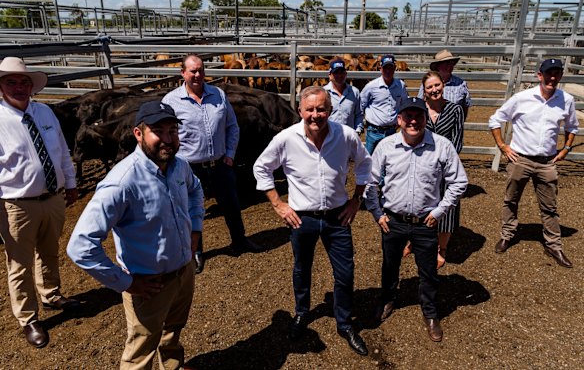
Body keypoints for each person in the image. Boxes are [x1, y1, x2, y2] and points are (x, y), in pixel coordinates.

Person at [67, 101, 205, 369]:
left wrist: (196, 229)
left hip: (182, 272)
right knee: (141, 349)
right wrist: (125, 283)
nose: (168, 139)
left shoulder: (179, 166)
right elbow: (80, 246)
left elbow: (195, 190)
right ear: (138, 134)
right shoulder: (122, 182)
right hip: (148, 285)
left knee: (173, 331)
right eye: (159, 131)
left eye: (172, 131)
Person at [253, 86, 372, 356]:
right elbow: (261, 167)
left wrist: (356, 200)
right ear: (300, 111)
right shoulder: (286, 139)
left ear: (330, 110)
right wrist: (278, 204)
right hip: (301, 218)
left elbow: (365, 164)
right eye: (310, 109)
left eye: (321, 109)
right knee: (301, 269)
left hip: (337, 216)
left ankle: (344, 323)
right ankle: (301, 313)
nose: (315, 115)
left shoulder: (346, 135)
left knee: (345, 273)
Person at [365, 97, 467, 342]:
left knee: (428, 269)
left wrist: (439, 211)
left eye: (418, 116)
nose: (413, 121)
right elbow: (370, 182)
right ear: (399, 119)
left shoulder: (441, 146)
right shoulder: (386, 146)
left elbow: (459, 181)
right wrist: (377, 213)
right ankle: (388, 298)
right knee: (390, 265)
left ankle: (430, 312)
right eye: (407, 116)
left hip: (425, 221)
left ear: (425, 119)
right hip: (393, 220)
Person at [0, 57, 80, 349]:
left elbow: (60, 151)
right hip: (16, 203)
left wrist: (70, 183)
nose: (19, 87)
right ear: (1, 86)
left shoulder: (45, 112)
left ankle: (51, 293)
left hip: (52, 197)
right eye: (11, 82)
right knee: (18, 262)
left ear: (32, 86)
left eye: (24, 82)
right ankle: (28, 318)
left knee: (49, 249)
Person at [162, 54, 260, 270]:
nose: (197, 75)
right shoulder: (170, 101)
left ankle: (239, 239)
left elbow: (232, 126)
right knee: (191, 209)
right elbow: (164, 136)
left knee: (232, 203)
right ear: (183, 73)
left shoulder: (218, 94)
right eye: (193, 71)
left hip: (219, 163)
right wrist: (173, 162)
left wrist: (230, 154)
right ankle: (196, 251)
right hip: (189, 166)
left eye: (201, 70)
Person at [488, 58, 579, 268]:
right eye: (549, 73)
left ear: (560, 76)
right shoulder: (522, 98)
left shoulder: (566, 100)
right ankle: (507, 234)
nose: (552, 78)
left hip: (547, 161)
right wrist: (503, 146)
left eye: (557, 74)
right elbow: (495, 119)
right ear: (540, 75)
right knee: (511, 199)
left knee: (550, 206)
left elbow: (572, 127)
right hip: (520, 158)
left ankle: (553, 245)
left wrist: (565, 148)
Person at [404, 71, 465, 268]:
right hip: (420, 165)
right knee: (418, 203)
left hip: (446, 167)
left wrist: (443, 163)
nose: (434, 90)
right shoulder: (419, 109)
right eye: (429, 87)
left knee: (447, 208)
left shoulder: (455, 110)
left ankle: (441, 248)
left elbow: (457, 142)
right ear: (424, 90)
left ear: (443, 85)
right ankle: (414, 240)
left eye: (437, 85)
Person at [361, 54, 408, 154]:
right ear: (380, 68)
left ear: (395, 68)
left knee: (390, 161)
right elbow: (362, 104)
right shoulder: (371, 86)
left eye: (390, 68)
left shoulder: (401, 85)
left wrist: (400, 121)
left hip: (391, 131)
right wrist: (363, 122)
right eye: (385, 68)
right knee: (369, 161)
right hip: (374, 130)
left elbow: (404, 105)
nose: (388, 71)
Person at [417, 49, 472, 119]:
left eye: (451, 63)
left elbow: (465, 108)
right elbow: (420, 103)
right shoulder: (428, 82)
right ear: (438, 66)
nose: (449, 66)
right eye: (446, 63)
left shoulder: (461, 84)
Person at [323, 59, 364, 134]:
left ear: (345, 74)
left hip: (348, 136)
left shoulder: (354, 92)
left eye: (342, 72)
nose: (339, 76)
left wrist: (358, 130)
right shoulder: (323, 92)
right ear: (330, 75)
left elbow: (359, 114)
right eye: (336, 73)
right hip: (328, 135)